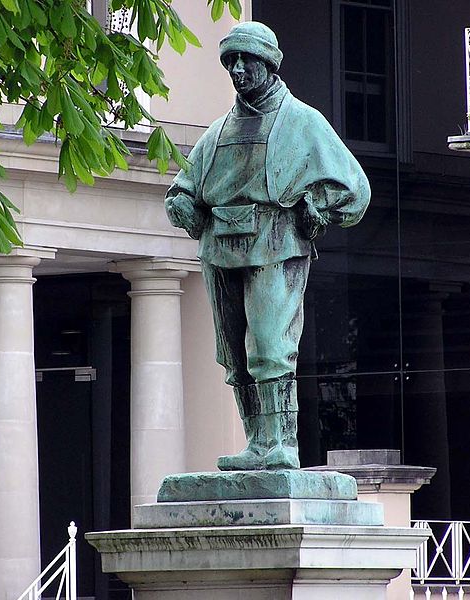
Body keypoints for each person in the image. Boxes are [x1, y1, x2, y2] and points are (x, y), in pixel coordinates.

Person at [164, 21, 370, 471]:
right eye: (231, 62)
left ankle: (282, 444)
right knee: (234, 356)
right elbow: (184, 186)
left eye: (247, 60)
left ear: (269, 64)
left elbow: (355, 189)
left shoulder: (303, 121)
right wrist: (181, 204)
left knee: (270, 349)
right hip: (219, 247)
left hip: (275, 244)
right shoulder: (217, 131)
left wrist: (318, 204)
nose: (238, 69)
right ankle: (257, 443)